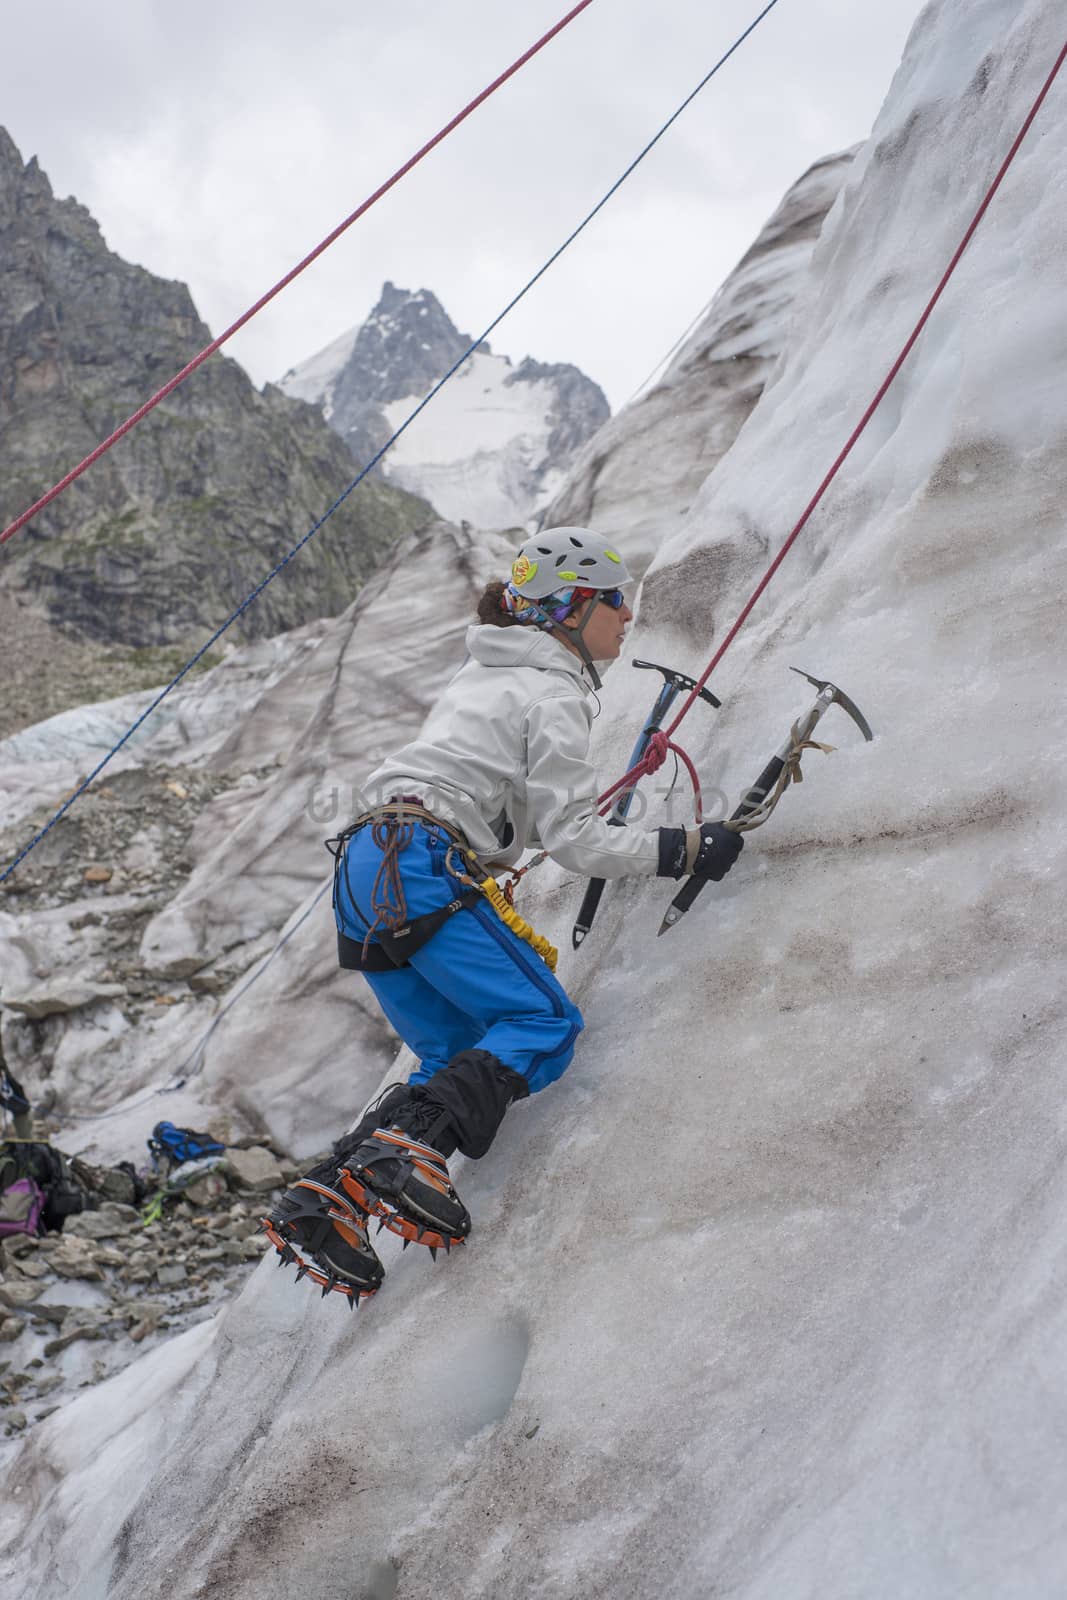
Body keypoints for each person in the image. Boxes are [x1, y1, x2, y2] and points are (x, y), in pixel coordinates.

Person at [265, 527, 742, 1300]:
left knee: (453, 1050)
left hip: (364, 866)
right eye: (614, 599)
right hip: (420, 862)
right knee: (543, 1024)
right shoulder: (552, 691)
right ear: (573, 607)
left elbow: (490, 791)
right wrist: (684, 848)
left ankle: (323, 1203)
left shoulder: (489, 674)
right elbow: (575, 838)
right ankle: (397, 1156)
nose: (627, 613)